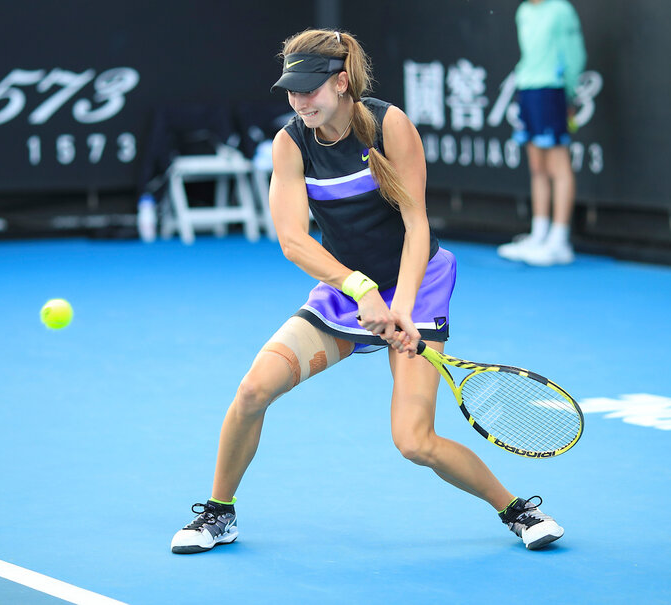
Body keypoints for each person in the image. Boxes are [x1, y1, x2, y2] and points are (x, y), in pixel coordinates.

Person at [171, 29, 564, 554]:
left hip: (417, 286)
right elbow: (292, 240)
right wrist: (360, 290)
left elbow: (417, 223)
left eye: (310, 88)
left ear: (341, 81)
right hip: (345, 291)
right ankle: (219, 514)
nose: (300, 100)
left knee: (414, 442)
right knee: (252, 392)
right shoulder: (290, 143)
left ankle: (517, 511)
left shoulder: (389, 125)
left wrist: (399, 305)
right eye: (292, 89)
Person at [498, 0, 587, 266]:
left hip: (553, 89)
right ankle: (539, 234)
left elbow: (575, 55)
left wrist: (568, 92)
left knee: (557, 164)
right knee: (537, 165)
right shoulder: (523, 11)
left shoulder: (561, 10)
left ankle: (559, 240)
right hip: (527, 88)